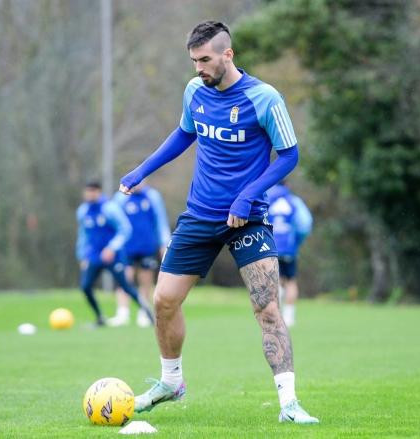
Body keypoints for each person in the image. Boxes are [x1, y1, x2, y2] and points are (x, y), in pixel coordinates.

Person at [118, 21, 319, 424]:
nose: (199, 69)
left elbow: (290, 155)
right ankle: (171, 382)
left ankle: (289, 404)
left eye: (205, 60)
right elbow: (183, 134)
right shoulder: (195, 91)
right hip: (200, 215)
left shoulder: (265, 98)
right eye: (194, 61)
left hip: (249, 220)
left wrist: (247, 196)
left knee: (266, 307)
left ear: (228, 55)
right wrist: (142, 171)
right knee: (163, 301)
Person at [75, 181, 154, 327]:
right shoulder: (83, 211)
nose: (90, 194)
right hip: (94, 256)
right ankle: (100, 317)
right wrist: (82, 255)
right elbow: (83, 235)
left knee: (127, 287)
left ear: (99, 192)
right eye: (88, 191)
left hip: (113, 256)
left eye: (93, 191)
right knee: (85, 286)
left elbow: (125, 229)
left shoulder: (109, 208)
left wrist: (112, 247)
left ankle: (149, 315)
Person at [108, 183, 172, 327]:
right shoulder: (120, 198)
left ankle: (144, 312)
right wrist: (113, 245)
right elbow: (113, 223)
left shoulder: (153, 196)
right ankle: (122, 313)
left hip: (147, 246)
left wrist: (164, 244)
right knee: (125, 279)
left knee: (146, 280)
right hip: (126, 247)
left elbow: (160, 221)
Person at [266, 182, 313, 328]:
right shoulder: (294, 201)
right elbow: (305, 223)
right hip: (288, 248)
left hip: (270, 246)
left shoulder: (266, 198)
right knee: (291, 281)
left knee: (275, 280)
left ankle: (275, 314)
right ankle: (289, 317)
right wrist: (296, 241)